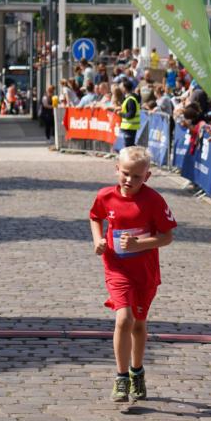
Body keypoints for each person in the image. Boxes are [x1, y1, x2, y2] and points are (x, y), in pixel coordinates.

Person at [89, 146, 177, 404]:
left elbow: (167, 237)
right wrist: (98, 240)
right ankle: (121, 376)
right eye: (125, 173)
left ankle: (136, 371)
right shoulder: (105, 196)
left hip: (144, 271)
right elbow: (95, 217)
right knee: (124, 319)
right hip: (116, 267)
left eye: (137, 176)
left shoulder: (154, 200)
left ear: (147, 176)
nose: (129, 180)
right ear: (117, 169)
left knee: (138, 323)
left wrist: (140, 244)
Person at [116, 78, 141, 147]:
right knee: (129, 146)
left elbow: (131, 114)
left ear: (125, 88)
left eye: (121, 87)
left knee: (129, 146)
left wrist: (121, 114)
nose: (120, 88)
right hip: (129, 127)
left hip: (130, 127)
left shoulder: (131, 99)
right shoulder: (129, 98)